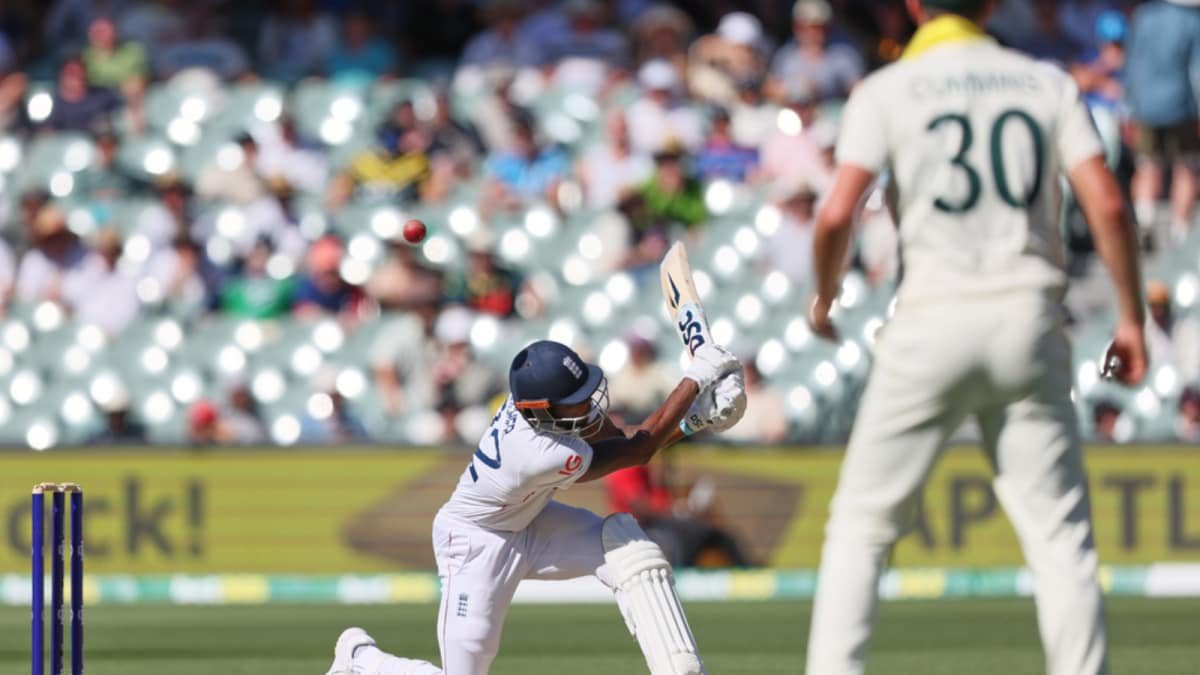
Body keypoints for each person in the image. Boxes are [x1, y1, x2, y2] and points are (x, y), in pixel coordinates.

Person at [804, 2, 1148, 674]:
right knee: (1060, 539)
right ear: (990, 4)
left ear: (913, 5)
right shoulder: (1045, 83)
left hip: (930, 318)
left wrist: (824, 295)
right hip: (1029, 318)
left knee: (861, 529)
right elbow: (1108, 203)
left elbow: (838, 212)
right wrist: (1131, 318)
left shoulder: (886, 89)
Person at [324, 339, 746, 675]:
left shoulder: (538, 408)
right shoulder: (542, 453)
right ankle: (362, 659)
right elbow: (638, 450)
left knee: (632, 550)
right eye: (576, 400)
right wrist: (695, 380)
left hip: (530, 519)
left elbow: (625, 438)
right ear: (541, 410)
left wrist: (695, 418)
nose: (589, 404)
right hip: (475, 542)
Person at [1124, 0, 1200, 241]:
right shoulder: (1192, 21)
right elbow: (1197, 71)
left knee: (1147, 165)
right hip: (1183, 107)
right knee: (1187, 167)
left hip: (1145, 106)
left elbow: (1132, 64)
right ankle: (1180, 232)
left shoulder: (1143, 16)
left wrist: (1128, 107)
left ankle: (1144, 221)